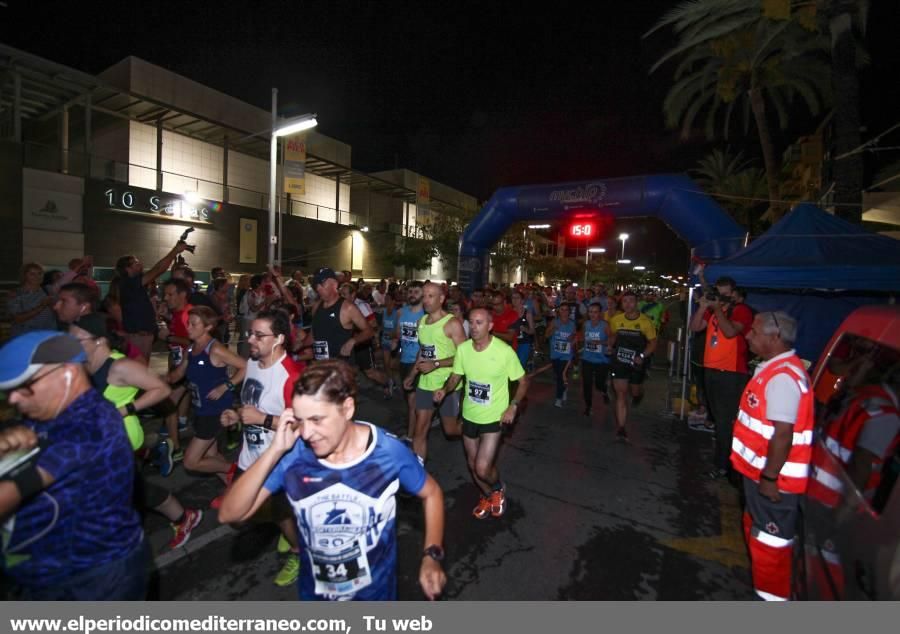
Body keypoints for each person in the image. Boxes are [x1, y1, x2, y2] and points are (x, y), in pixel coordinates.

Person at [218, 359, 447, 601]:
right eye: (300, 420)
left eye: (317, 420)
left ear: (347, 409)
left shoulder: (387, 453)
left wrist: (432, 554)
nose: (306, 433)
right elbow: (230, 514)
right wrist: (274, 451)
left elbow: (431, 493)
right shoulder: (294, 455)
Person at [0, 331, 148, 599]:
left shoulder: (91, 424)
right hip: (45, 573)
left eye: (24, 387)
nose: (14, 400)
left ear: (66, 372)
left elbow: (13, 490)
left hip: (92, 581)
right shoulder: (46, 411)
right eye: (8, 391)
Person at [68, 314, 203, 550]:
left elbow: (161, 389)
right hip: (97, 442)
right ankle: (182, 517)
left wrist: (124, 409)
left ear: (99, 340)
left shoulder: (120, 366)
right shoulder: (82, 362)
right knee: (130, 489)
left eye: (77, 340)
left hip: (121, 440)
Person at [730, 312, 814, 602]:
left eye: (754, 331)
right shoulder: (775, 369)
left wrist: (769, 478)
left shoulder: (783, 378)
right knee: (756, 533)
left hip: (774, 484)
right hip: (756, 476)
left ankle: (771, 598)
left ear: (775, 337)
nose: (748, 335)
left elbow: (783, 434)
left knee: (771, 548)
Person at [219, 309, 305, 587]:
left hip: (279, 461)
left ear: (279, 338)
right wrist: (236, 415)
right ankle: (288, 526)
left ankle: (299, 552)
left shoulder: (291, 375)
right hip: (250, 455)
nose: (251, 340)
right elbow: (251, 405)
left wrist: (262, 419)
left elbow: (303, 426)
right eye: (250, 334)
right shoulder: (253, 363)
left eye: (258, 335)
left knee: (275, 512)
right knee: (246, 511)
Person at [434, 308, 529, 520]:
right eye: (471, 322)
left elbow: (523, 381)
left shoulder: (503, 351)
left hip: (494, 417)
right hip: (469, 415)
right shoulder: (464, 350)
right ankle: (486, 495)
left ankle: (496, 488)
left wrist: (513, 405)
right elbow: (456, 377)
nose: (474, 327)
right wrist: (444, 389)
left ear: (490, 326)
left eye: (479, 322)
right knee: (472, 465)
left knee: (482, 467)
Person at [169, 307, 247, 495]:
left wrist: (226, 386)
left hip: (216, 412)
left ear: (208, 327)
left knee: (191, 461)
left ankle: (237, 472)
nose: (188, 327)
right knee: (212, 456)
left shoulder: (215, 348)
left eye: (194, 324)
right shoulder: (191, 348)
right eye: (188, 322)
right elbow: (178, 374)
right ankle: (235, 490)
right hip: (200, 410)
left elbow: (245, 366)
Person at [689, 274, 754, 479]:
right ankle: (724, 458)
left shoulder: (741, 311)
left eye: (725, 294)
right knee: (718, 418)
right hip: (711, 369)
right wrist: (702, 306)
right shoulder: (716, 311)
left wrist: (717, 309)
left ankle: (723, 465)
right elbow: (695, 327)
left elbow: (729, 333)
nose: (722, 298)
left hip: (731, 373)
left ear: (734, 293)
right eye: (719, 293)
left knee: (725, 420)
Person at [403, 282, 467, 461]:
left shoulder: (452, 324)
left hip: (449, 384)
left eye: (431, 296)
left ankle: (472, 429)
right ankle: (418, 475)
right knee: (420, 430)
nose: (426, 300)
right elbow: (423, 351)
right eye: (424, 295)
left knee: (451, 430)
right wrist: (412, 374)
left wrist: (436, 364)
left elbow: (465, 358)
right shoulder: (421, 322)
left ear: (441, 299)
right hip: (425, 383)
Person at [115, 240, 190, 364]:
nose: (141, 263)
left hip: (143, 336)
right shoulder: (129, 283)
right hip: (138, 337)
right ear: (127, 269)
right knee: (138, 372)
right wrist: (174, 251)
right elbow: (158, 269)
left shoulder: (132, 285)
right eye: (136, 262)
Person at [156, 278, 194, 471]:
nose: (166, 298)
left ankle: (175, 448)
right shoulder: (178, 314)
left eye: (170, 294)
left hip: (189, 368)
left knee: (168, 402)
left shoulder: (189, 314)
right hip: (180, 367)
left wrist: (169, 337)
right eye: (166, 294)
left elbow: (195, 341)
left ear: (182, 295)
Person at [608, 290, 657, 441]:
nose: (628, 304)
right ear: (621, 304)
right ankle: (621, 428)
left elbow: (653, 342)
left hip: (637, 362)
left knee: (634, 391)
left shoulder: (645, 322)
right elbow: (613, 334)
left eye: (631, 301)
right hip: (620, 361)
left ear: (637, 303)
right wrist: (610, 345)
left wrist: (642, 356)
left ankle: (638, 394)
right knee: (621, 394)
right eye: (625, 301)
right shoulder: (616, 319)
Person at [309, 268, 374, 364]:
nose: (318, 288)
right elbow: (313, 334)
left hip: (341, 368)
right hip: (321, 365)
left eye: (322, 284)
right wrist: (300, 344)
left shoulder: (348, 307)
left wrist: (352, 341)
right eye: (316, 285)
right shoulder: (316, 306)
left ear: (335, 284)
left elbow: (369, 331)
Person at [395, 282, 426, 441]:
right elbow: (398, 334)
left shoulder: (425, 316)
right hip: (404, 360)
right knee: (410, 400)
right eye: (410, 291)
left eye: (416, 291)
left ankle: (411, 436)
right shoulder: (401, 312)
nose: (412, 294)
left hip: (418, 362)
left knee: (413, 401)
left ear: (423, 295)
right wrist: (396, 341)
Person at [580, 303, 612, 416]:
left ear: (600, 313)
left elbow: (611, 340)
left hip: (601, 360)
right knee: (587, 384)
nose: (593, 314)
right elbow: (583, 338)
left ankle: (604, 390)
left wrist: (601, 343)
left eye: (596, 312)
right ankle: (588, 406)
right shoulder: (586, 324)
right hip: (587, 358)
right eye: (591, 312)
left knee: (599, 384)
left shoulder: (605, 325)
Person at [9, 263, 57, 336]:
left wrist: (53, 305)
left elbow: (57, 313)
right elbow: (17, 319)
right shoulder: (16, 293)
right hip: (25, 334)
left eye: (39, 273)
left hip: (47, 333)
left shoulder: (48, 290)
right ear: (24, 276)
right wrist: (42, 306)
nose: (37, 277)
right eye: (32, 274)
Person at [545, 303, 576, 408]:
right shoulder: (555, 322)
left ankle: (558, 398)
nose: (564, 312)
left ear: (569, 312)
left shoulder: (572, 324)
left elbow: (574, 337)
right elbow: (546, 335)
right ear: (559, 311)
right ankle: (564, 388)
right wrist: (553, 329)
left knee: (561, 376)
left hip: (566, 355)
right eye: (562, 310)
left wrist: (572, 339)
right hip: (555, 354)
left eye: (566, 310)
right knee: (559, 375)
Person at [380, 291, 401, 398]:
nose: (386, 301)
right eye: (385, 299)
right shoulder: (384, 311)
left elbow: (398, 331)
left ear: (393, 301)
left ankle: (393, 382)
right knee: (386, 364)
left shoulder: (397, 313)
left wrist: (392, 335)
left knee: (392, 365)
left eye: (388, 299)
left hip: (393, 342)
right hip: (385, 341)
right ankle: (390, 383)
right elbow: (383, 326)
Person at [510, 290, 536, 371]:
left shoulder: (527, 314)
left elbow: (532, 330)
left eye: (517, 298)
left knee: (520, 366)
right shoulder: (509, 313)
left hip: (524, 343)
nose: (514, 300)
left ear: (522, 300)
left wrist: (525, 329)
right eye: (513, 298)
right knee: (510, 365)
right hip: (511, 342)